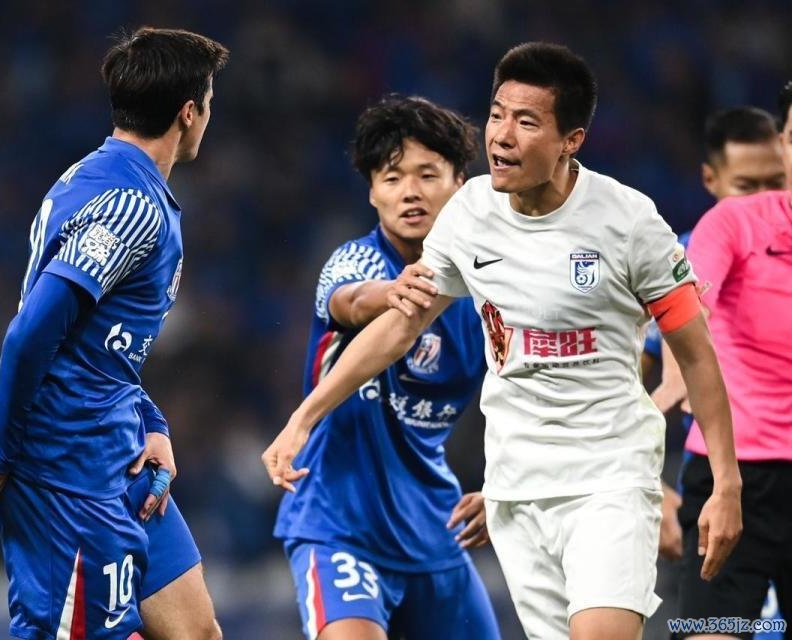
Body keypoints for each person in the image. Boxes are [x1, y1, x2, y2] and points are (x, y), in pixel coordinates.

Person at [262, 42, 743, 640]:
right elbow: (393, 319)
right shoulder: (464, 219)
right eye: (496, 115)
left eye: (527, 122)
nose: (503, 136)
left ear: (571, 140)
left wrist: (725, 481)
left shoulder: (628, 222)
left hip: (608, 478)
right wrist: (302, 419)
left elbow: (695, 350)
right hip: (513, 492)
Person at [0, 27, 228, 640]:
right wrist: (1, 455)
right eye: (210, 102)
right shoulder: (131, 204)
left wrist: (152, 422)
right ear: (189, 112)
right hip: (69, 466)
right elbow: (29, 334)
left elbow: (92, 344)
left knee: (197, 631)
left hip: (118, 445)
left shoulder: (95, 178)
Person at [273, 95, 500, 640]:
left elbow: (523, 398)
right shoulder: (356, 260)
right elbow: (350, 300)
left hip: (436, 530)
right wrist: (391, 292)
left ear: (460, 183)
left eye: (427, 174)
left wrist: (506, 487)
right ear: (372, 191)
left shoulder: (489, 287)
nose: (409, 192)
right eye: (392, 178)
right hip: (338, 528)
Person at [671, 84, 792, 640]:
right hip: (734, 480)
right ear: (782, 144)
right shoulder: (729, 225)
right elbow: (688, 318)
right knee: (712, 630)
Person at [641, 106, 785, 564]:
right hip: (720, 493)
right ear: (711, 179)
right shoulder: (677, 261)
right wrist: (651, 489)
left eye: (775, 183)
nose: (761, 199)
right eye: (746, 186)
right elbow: (623, 382)